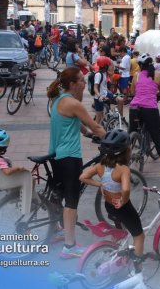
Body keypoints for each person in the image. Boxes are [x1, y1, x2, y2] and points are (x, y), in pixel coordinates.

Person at [47, 67, 106, 258]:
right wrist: (112, 138)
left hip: (55, 155)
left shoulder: (57, 100)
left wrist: (86, 134)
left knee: (59, 195)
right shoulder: (74, 103)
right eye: (81, 80)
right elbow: (95, 125)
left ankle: (56, 230)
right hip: (69, 157)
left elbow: (74, 123)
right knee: (71, 202)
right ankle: (69, 247)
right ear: (72, 84)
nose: (83, 82)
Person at [79, 129, 145, 272]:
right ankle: (137, 269)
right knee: (139, 236)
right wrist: (123, 200)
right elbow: (126, 189)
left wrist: (100, 184)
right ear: (125, 151)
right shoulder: (123, 169)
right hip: (122, 208)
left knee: (120, 228)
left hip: (109, 206)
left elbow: (82, 177)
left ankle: (116, 249)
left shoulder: (100, 165)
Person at [129, 53, 160, 174]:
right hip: (150, 109)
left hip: (134, 108)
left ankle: (123, 163)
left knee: (130, 135)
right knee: (157, 138)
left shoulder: (136, 75)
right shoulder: (157, 75)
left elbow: (133, 91)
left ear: (140, 66)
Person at [93, 56, 115, 125]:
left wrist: (112, 65)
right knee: (98, 118)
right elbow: (95, 88)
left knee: (119, 100)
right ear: (105, 66)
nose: (108, 66)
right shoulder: (98, 75)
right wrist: (99, 96)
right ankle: (94, 133)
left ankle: (118, 119)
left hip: (106, 94)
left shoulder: (105, 72)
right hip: (99, 98)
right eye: (107, 65)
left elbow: (111, 73)